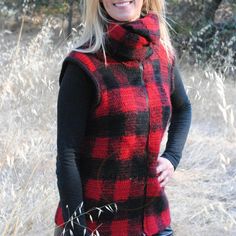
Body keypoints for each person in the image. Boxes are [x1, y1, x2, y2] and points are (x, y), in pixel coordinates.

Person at [54, 0, 192, 235]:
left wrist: (172, 157)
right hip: (97, 226)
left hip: (154, 221)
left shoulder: (164, 55)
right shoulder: (83, 64)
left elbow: (183, 108)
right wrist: (77, 228)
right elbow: (68, 155)